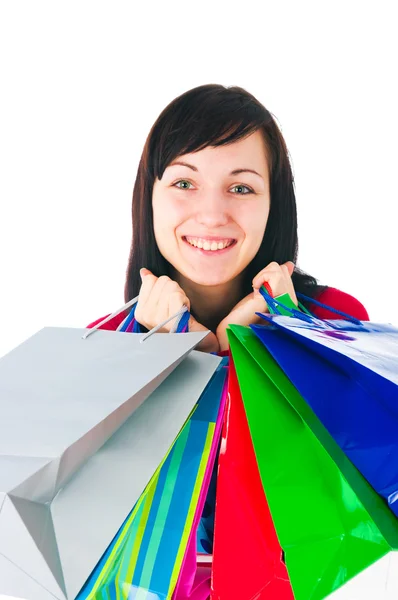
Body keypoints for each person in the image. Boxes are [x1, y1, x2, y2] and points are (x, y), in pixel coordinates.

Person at [86, 83, 369, 590]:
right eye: (184, 183)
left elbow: (333, 509)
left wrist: (262, 342)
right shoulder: (99, 349)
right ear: (148, 198)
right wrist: (169, 352)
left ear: (272, 204)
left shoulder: (335, 326)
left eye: (241, 187)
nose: (212, 214)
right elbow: (95, 535)